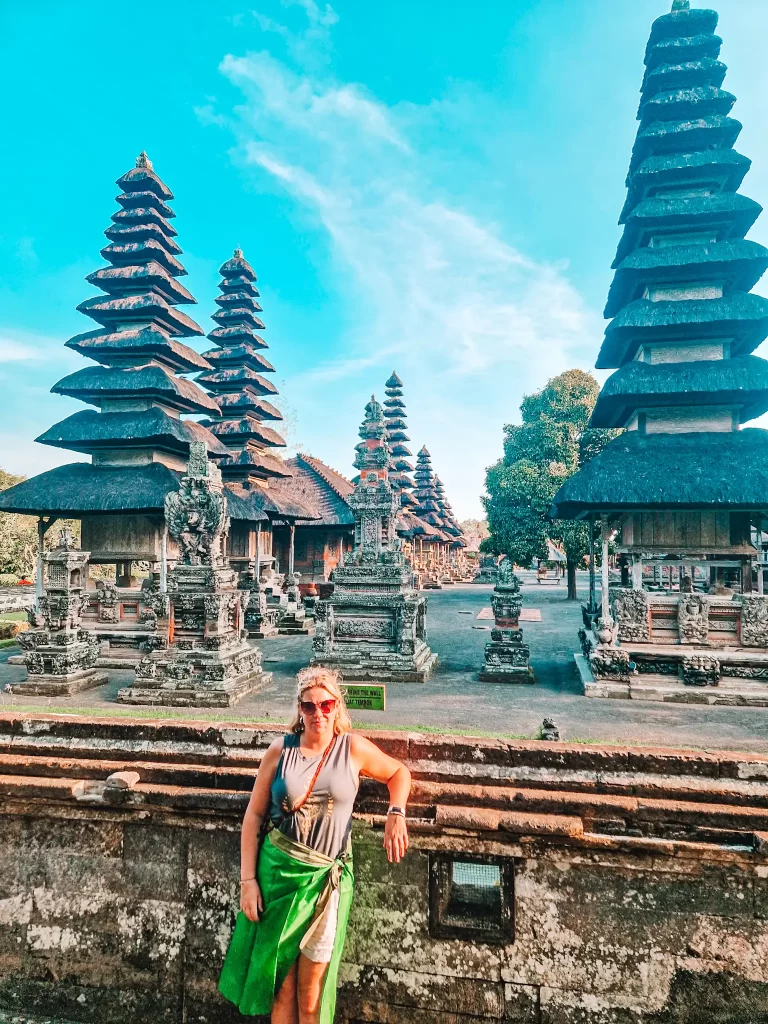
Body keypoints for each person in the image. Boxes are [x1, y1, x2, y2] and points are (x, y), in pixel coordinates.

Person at [218, 665, 412, 1024]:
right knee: (280, 990)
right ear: (299, 709)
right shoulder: (280, 750)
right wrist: (248, 882)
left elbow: (399, 772)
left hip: (324, 883)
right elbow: (253, 817)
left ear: (337, 707)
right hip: (277, 879)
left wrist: (396, 813)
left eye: (326, 705)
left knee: (312, 996)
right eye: (309, 706)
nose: (318, 713)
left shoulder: (351, 749)